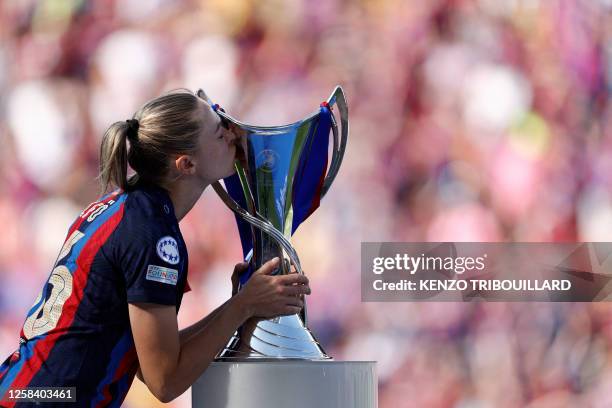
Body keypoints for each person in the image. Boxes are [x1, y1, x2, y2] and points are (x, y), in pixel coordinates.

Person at [0, 89, 311, 407]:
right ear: (186, 164)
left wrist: (240, 306)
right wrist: (243, 305)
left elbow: (151, 362)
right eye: (220, 133)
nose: (233, 135)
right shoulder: (152, 235)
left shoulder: (129, 208)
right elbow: (163, 382)